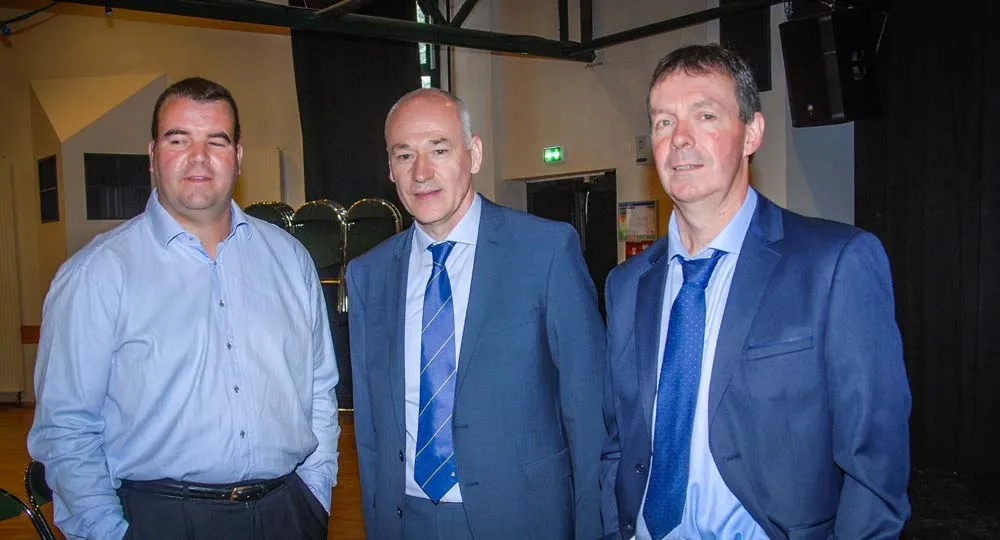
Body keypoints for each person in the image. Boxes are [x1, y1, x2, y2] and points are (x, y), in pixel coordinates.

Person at [600, 44, 911, 540]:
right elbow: (620, 439)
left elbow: (875, 464)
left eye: (705, 115)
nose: (680, 139)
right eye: (664, 122)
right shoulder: (627, 285)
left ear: (752, 133)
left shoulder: (835, 265)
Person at [27, 76, 340, 540]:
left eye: (216, 140)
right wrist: (109, 533)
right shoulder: (97, 274)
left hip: (286, 513)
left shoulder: (290, 259)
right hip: (160, 519)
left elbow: (319, 391)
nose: (199, 157)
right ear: (153, 156)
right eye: (179, 139)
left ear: (238, 155)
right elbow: (66, 430)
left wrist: (314, 494)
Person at [345, 87, 606, 540]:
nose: (422, 172)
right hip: (408, 520)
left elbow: (589, 413)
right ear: (390, 168)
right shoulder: (368, 275)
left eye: (439, 149)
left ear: (474, 153)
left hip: (522, 518)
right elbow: (369, 429)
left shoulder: (544, 251)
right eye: (404, 155)